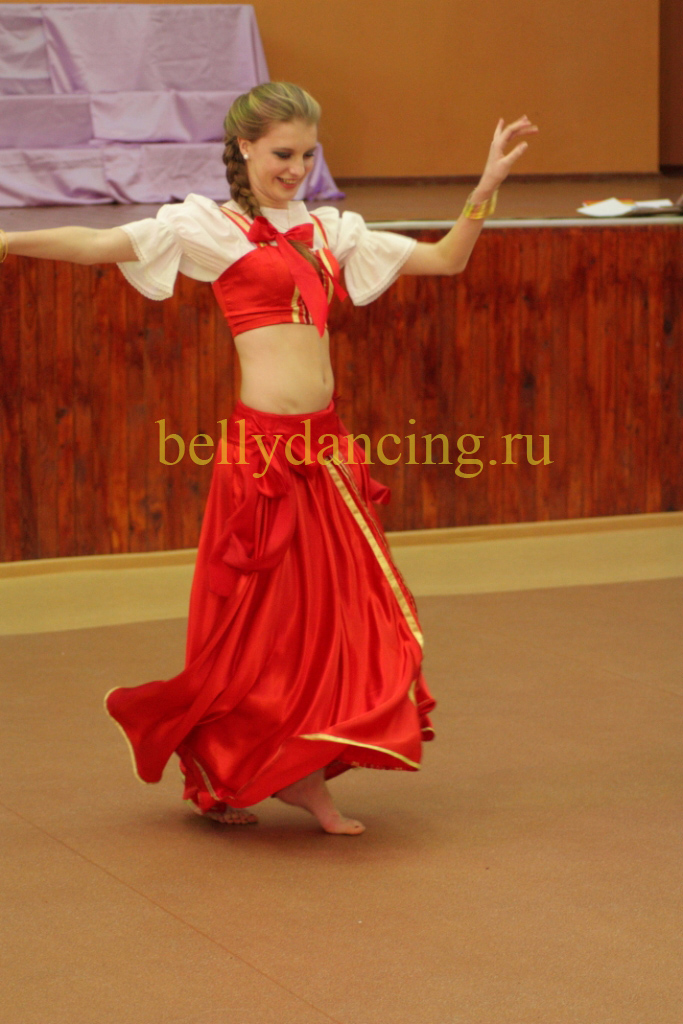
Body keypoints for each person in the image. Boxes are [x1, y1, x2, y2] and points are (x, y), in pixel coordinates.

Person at [0, 83, 537, 835]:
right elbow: (97, 245)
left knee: (342, 616)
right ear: (245, 147)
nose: (296, 168)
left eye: (308, 156)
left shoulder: (329, 230)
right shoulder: (209, 228)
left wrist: (485, 187)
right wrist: (6, 240)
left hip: (327, 451)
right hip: (261, 455)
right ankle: (235, 769)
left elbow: (446, 260)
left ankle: (301, 773)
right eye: (283, 153)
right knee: (254, 626)